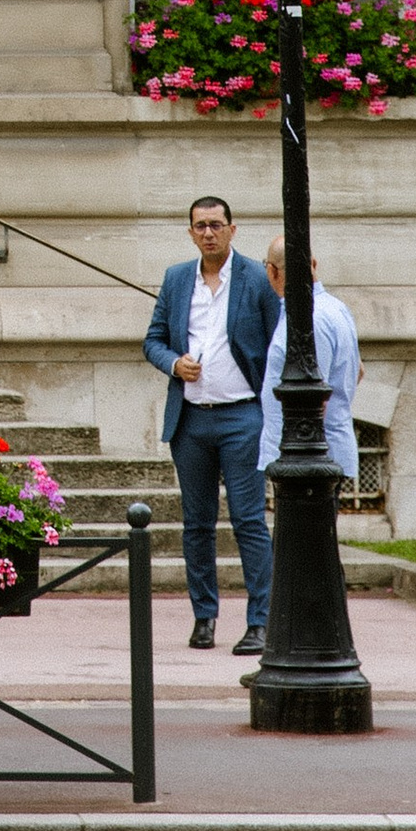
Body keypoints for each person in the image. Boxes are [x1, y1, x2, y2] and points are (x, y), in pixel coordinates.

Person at [142, 189, 277, 655]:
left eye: (216, 225)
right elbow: (153, 339)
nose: (209, 233)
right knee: (196, 524)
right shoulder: (178, 279)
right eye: (200, 226)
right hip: (191, 421)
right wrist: (173, 364)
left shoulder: (256, 279)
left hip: (242, 416)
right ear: (190, 232)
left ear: (232, 230)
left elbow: (280, 339)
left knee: (248, 521)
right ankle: (205, 617)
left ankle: (260, 621)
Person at [258, 242, 363, 484]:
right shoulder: (335, 308)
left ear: (272, 271)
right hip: (314, 454)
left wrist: (301, 452)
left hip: (307, 459)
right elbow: (358, 370)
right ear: (314, 264)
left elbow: (316, 395)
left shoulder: (310, 318)